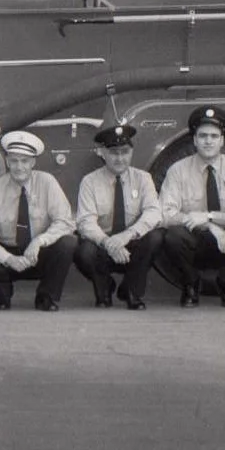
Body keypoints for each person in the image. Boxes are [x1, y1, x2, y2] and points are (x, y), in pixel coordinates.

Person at [157, 106, 225, 308]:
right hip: (196, 241)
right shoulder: (178, 171)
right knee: (172, 236)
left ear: (222, 140)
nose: (208, 141)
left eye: (214, 136)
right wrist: (208, 226)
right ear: (194, 140)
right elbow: (164, 214)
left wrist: (209, 216)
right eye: (203, 136)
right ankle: (191, 282)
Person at [0, 130, 78, 312]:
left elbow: (65, 222)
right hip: (8, 253)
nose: (19, 167)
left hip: (38, 253)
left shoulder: (47, 182)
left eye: (24, 161)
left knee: (68, 242)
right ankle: (3, 293)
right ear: (7, 161)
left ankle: (46, 296)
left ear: (33, 162)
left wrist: (39, 241)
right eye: (14, 161)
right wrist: (9, 259)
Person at [72, 123, 164, 310]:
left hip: (132, 242)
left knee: (156, 237)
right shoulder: (90, 182)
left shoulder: (143, 178)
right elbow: (85, 222)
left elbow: (154, 213)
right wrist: (108, 243)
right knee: (83, 251)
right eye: (114, 153)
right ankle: (104, 287)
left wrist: (127, 235)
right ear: (102, 153)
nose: (120, 158)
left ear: (131, 152)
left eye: (125, 152)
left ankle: (131, 291)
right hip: (104, 244)